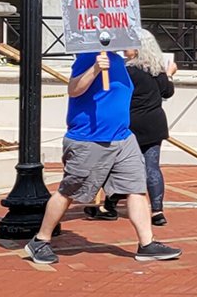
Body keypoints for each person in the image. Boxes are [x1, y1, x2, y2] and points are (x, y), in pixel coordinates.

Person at [24, 47, 182, 264]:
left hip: (123, 138)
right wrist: (96, 68)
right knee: (69, 190)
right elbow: (74, 89)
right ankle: (40, 240)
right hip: (89, 139)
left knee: (136, 189)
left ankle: (147, 244)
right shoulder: (89, 57)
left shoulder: (120, 62)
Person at [84, 29, 177, 226]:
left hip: (131, 123)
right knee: (152, 166)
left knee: (117, 165)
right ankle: (157, 211)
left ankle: (109, 204)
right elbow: (167, 92)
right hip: (154, 123)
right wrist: (169, 74)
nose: (125, 48)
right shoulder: (156, 71)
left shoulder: (127, 72)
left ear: (138, 48)